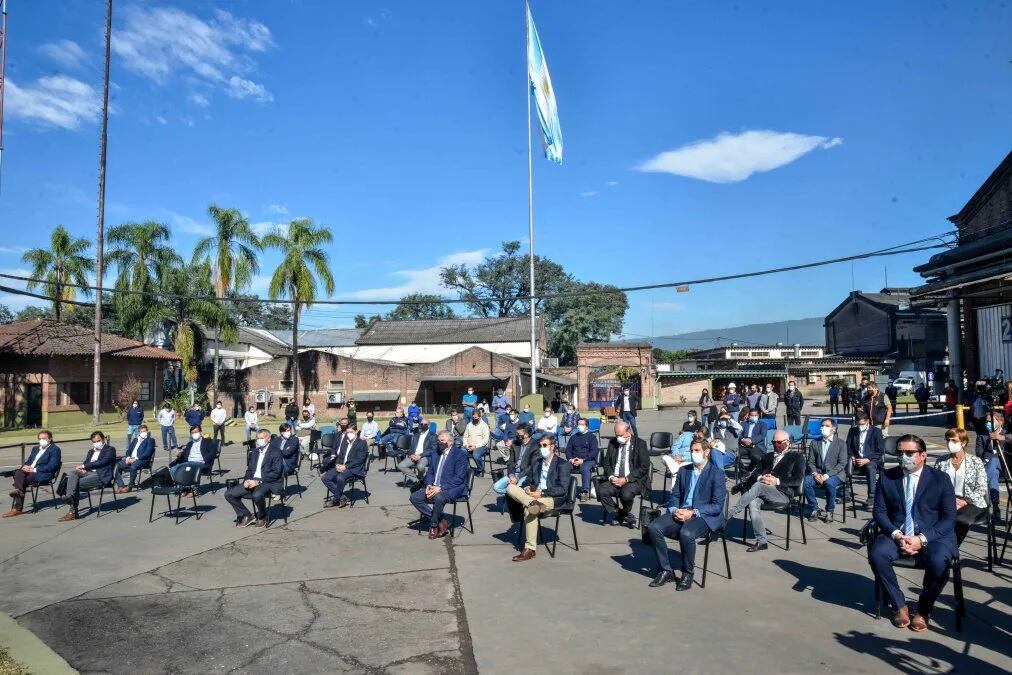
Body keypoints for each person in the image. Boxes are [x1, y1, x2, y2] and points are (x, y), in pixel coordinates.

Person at [868, 434, 957, 632]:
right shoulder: (887, 477)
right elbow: (880, 512)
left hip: (931, 536)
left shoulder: (940, 479)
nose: (903, 457)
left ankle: (924, 609)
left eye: (909, 453)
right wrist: (897, 535)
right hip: (898, 533)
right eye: (900, 453)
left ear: (923, 455)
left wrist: (921, 539)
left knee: (939, 561)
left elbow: (949, 518)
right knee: (877, 554)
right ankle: (899, 604)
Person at [645, 439, 726, 590]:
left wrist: (693, 513)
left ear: (706, 453)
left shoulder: (716, 473)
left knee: (686, 533)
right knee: (654, 527)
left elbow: (717, 506)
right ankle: (666, 570)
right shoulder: (684, 470)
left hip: (704, 515)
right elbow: (675, 495)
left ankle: (687, 573)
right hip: (682, 511)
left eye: (697, 451)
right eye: (692, 451)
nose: (693, 454)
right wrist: (675, 509)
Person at [727, 430, 805, 552]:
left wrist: (776, 481)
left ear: (787, 442)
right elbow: (755, 473)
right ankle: (762, 541)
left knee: (758, 486)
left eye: (779, 442)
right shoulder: (768, 456)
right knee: (753, 502)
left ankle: (731, 513)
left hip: (783, 493)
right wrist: (761, 477)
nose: (776, 445)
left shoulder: (797, 457)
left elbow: (797, 480)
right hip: (763, 491)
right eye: (774, 442)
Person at [506, 435, 572, 562]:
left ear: (552, 447)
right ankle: (533, 503)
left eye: (545, 445)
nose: (542, 448)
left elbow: (563, 489)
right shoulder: (537, 462)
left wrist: (541, 493)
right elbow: (528, 481)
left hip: (551, 498)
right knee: (510, 488)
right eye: (540, 446)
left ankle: (530, 549)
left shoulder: (562, 464)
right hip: (534, 496)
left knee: (529, 510)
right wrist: (526, 488)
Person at [410, 431, 470, 539]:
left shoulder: (460, 454)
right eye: (438, 441)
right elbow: (431, 472)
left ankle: (433, 526)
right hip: (434, 485)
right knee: (415, 497)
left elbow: (459, 478)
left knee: (439, 497)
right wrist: (428, 484)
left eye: (442, 441)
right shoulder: (436, 453)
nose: (439, 443)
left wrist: (441, 487)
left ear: (450, 442)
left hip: (453, 487)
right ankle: (442, 521)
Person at [937, 428, 989, 545]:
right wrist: (951, 500)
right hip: (948, 500)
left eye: (954, 441)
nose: (950, 443)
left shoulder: (975, 461)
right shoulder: (941, 461)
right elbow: (935, 485)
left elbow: (981, 487)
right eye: (948, 440)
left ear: (963, 443)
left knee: (958, 519)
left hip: (971, 502)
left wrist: (965, 501)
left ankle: (952, 549)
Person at [224, 429, 284, 528]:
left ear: (268, 439)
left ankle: (262, 516)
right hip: (252, 480)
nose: (259, 440)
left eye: (262, 438)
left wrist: (258, 481)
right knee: (229, 494)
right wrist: (247, 480)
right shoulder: (255, 452)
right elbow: (250, 470)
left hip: (267, 482)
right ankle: (248, 515)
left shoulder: (276, 452)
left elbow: (276, 472)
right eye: (258, 438)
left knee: (257, 495)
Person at [596, 420, 650, 528]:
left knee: (626, 495)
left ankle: (623, 513)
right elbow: (606, 464)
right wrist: (611, 477)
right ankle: (619, 511)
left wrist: (626, 479)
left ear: (628, 431)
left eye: (620, 435)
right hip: (615, 478)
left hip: (633, 479)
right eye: (616, 435)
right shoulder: (613, 443)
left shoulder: (640, 444)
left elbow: (644, 467)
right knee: (600, 490)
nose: (618, 438)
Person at [58, 432, 116, 522]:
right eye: (94, 441)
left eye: (98, 440)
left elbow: (102, 462)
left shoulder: (110, 449)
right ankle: (69, 497)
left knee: (75, 484)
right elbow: (86, 463)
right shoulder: (91, 451)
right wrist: (83, 469)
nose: (96, 443)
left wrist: (84, 467)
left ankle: (72, 513)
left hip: (100, 475)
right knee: (73, 472)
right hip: (88, 473)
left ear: (103, 439)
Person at [4, 430, 62, 518]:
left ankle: (17, 508)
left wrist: (34, 469)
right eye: (40, 439)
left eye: (44, 438)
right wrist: (24, 467)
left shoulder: (55, 450)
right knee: (19, 472)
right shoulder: (35, 449)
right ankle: (19, 492)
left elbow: (52, 466)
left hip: (42, 473)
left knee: (19, 480)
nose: (41, 440)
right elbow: (29, 461)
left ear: (50, 439)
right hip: (28, 472)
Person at [802, 418, 847, 522]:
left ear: (834, 429)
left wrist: (827, 475)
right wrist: (815, 473)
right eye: (822, 426)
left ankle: (830, 510)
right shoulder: (815, 442)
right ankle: (814, 508)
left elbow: (842, 463)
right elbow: (811, 462)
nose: (823, 428)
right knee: (807, 482)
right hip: (818, 472)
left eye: (827, 426)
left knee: (829, 483)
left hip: (835, 474)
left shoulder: (841, 443)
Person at [322, 425, 369, 508]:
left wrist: (346, 467)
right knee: (325, 478)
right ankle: (342, 497)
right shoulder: (345, 442)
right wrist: (338, 464)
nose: (349, 434)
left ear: (356, 431)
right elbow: (340, 456)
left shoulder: (362, 443)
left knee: (340, 478)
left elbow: (359, 460)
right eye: (347, 432)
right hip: (342, 466)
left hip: (354, 468)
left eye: (351, 432)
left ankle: (335, 500)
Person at [848, 411, 884, 505]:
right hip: (857, 459)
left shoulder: (876, 432)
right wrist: (852, 457)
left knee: (870, 467)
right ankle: (846, 492)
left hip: (871, 459)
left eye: (862, 424)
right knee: (845, 463)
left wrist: (867, 459)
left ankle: (871, 496)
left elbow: (880, 451)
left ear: (867, 421)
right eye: (858, 424)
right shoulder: (853, 431)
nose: (860, 426)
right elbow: (848, 447)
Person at [976, 410, 1007, 520]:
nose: (987, 423)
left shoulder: (1006, 435)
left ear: (1000, 422)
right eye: (986, 421)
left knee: (994, 462)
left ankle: (980, 493)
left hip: (1005, 467)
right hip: (990, 467)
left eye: (990, 421)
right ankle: (996, 507)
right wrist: (989, 440)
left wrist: (999, 438)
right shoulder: (982, 436)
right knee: (993, 473)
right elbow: (979, 454)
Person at [493, 424, 537, 496]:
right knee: (496, 487)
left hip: (525, 474)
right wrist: (511, 475)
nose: (516, 435)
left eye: (519, 434)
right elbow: (511, 461)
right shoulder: (515, 444)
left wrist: (517, 477)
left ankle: (512, 497)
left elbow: (531, 466)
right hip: (513, 473)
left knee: (515, 490)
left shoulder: (535, 446)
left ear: (526, 435)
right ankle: (511, 496)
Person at [114, 424, 156, 493]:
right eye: (141, 431)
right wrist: (127, 458)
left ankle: (130, 486)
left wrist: (135, 459)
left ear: (147, 431)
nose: (143, 433)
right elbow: (129, 450)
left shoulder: (150, 440)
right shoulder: (135, 440)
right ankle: (121, 485)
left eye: (144, 431)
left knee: (134, 466)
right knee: (117, 466)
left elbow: (148, 453)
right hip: (131, 459)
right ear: (139, 432)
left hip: (142, 460)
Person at [399, 417, 437, 486]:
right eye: (421, 424)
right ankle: (417, 481)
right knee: (401, 465)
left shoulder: (433, 436)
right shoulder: (416, 435)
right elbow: (411, 447)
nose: (423, 425)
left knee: (420, 466)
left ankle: (422, 477)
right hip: (414, 455)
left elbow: (433, 449)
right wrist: (411, 454)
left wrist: (420, 455)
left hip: (424, 456)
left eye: (425, 424)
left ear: (429, 425)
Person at [566, 419, 597, 501]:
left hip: (588, 460)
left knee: (585, 468)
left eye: (582, 424)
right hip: (574, 460)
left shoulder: (592, 437)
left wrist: (583, 460)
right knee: (563, 467)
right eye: (578, 424)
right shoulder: (573, 437)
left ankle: (585, 491)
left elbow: (593, 452)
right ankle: (564, 489)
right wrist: (571, 459)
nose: (579, 426)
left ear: (586, 426)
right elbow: (568, 450)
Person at [462, 411, 491, 476]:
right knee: (461, 451)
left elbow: (485, 440)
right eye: (473, 417)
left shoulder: (484, 425)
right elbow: (465, 436)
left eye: (476, 417)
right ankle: (468, 468)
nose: (474, 418)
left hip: (481, 446)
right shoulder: (469, 425)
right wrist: (466, 445)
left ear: (480, 417)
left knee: (476, 455)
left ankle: (480, 469)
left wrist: (475, 446)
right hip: (469, 445)